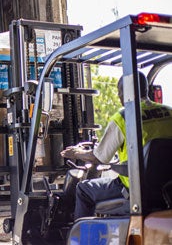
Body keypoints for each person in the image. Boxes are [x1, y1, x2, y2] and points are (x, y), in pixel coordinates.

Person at [61, 72, 172, 219]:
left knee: (83, 189)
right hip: (167, 189)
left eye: (119, 92)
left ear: (125, 92)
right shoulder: (169, 112)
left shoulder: (124, 117)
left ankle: (80, 238)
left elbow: (99, 157)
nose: (119, 97)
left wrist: (77, 153)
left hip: (134, 189)